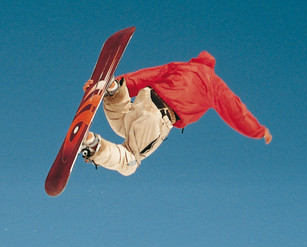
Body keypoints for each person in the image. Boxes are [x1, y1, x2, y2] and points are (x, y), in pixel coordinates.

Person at [80, 51, 272, 176]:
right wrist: (259, 131)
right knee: (130, 160)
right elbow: (236, 110)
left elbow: (145, 76)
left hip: (144, 100)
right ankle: (94, 146)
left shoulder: (182, 67)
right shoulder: (215, 85)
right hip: (159, 118)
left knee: (122, 122)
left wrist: (120, 81)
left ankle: (113, 90)